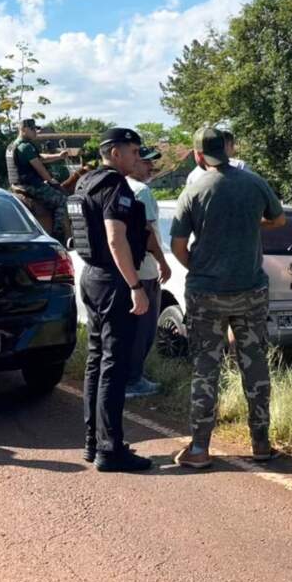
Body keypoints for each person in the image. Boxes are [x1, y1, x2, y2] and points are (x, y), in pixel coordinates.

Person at [170, 126, 285, 469]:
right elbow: (278, 219)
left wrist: (199, 265)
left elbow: (177, 245)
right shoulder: (254, 183)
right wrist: (251, 226)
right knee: (255, 363)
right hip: (251, 289)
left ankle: (200, 448)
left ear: (198, 155)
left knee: (207, 367)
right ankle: (261, 444)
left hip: (206, 293)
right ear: (228, 150)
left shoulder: (193, 190)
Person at [68, 127, 154, 473]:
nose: (137, 158)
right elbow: (116, 238)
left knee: (96, 359)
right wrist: (135, 285)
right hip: (114, 281)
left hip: (91, 277)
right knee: (114, 366)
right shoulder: (114, 186)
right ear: (115, 152)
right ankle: (110, 448)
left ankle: (93, 441)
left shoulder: (84, 183)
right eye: (134, 151)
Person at [125, 145, 172, 398]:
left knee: (129, 329)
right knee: (144, 329)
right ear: (134, 162)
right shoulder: (142, 191)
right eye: (146, 163)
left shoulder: (119, 186)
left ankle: (129, 378)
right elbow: (149, 233)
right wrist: (163, 262)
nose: (151, 167)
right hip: (144, 270)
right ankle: (134, 380)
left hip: (127, 270)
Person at [6, 118, 70, 243]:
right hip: (31, 186)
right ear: (23, 129)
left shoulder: (13, 145)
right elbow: (40, 169)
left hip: (16, 185)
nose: (35, 132)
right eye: (32, 129)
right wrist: (52, 182)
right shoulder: (25, 146)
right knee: (63, 201)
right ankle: (59, 236)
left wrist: (59, 156)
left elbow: (39, 158)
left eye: (36, 129)